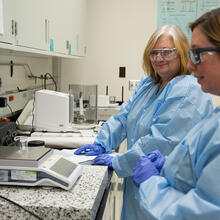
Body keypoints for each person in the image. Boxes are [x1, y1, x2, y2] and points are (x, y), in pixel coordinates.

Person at [74, 25, 213, 220]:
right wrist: (102, 142)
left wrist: (118, 161)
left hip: (164, 189)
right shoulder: (149, 84)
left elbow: (161, 141)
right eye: (153, 53)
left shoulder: (188, 91)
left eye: (166, 52)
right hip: (138, 183)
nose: (158, 58)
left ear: (181, 53)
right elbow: (124, 117)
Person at [131, 7, 220, 220]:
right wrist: (168, 164)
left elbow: (201, 213)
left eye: (198, 54)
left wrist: (151, 184)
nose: (189, 65)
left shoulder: (187, 90)